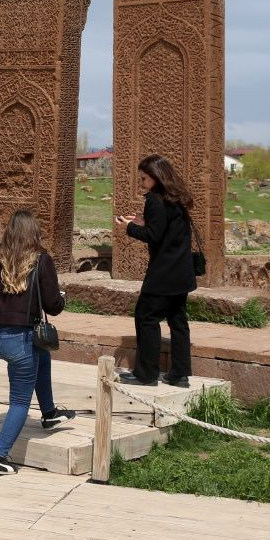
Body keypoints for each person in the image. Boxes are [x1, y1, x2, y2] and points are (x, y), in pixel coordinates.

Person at [0, 210, 75, 476]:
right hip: (20, 340)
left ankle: (49, 413)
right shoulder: (42, 261)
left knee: (43, 353)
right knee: (19, 402)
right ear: (34, 233)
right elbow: (52, 305)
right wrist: (61, 299)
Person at [114, 154, 197, 388]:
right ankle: (179, 375)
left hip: (163, 273)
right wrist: (141, 221)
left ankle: (147, 374)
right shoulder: (177, 198)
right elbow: (164, 229)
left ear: (155, 178)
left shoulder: (154, 199)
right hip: (182, 272)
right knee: (178, 322)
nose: (141, 183)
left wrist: (128, 227)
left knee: (146, 316)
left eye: (143, 178)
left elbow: (153, 235)